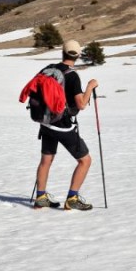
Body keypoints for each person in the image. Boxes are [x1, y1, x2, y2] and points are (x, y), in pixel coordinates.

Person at [33, 40, 98, 211]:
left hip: (46, 122)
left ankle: (40, 197)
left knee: (46, 160)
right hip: (63, 126)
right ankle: (72, 198)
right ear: (77, 55)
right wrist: (90, 87)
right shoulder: (72, 76)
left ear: (62, 52)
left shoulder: (48, 69)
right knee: (85, 161)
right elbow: (81, 104)